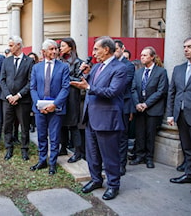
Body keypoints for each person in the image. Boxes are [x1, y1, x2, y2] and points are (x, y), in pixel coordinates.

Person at [72, 36, 128, 200]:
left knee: (110, 156)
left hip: (108, 119)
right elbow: (89, 84)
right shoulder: (96, 67)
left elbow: (112, 92)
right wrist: (85, 75)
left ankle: (113, 185)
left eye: (96, 49)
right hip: (91, 118)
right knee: (92, 155)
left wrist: (88, 86)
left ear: (107, 49)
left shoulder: (120, 68)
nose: (93, 52)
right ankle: (96, 179)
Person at [29, 39, 70, 175]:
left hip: (56, 108)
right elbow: (33, 88)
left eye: (55, 49)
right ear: (44, 51)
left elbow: (65, 88)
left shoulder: (63, 67)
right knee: (41, 135)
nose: (54, 51)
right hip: (40, 108)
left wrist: (54, 104)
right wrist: (38, 103)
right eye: (51, 49)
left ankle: (52, 163)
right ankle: (42, 160)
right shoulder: (36, 67)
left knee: (54, 137)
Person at [167, 36, 191, 195]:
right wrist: (170, 114)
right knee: (187, 147)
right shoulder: (178, 69)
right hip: (181, 115)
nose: (186, 49)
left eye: (190, 46)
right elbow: (172, 93)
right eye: (185, 46)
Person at [129, 46, 168, 169]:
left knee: (150, 134)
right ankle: (139, 156)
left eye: (145, 55)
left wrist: (147, 104)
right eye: (141, 55)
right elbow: (133, 89)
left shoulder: (161, 72)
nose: (142, 57)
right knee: (139, 133)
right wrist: (137, 104)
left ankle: (149, 158)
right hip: (139, 108)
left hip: (153, 108)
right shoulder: (138, 72)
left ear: (152, 57)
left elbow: (161, 91)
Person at [0, 36, 34, 161]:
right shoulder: (6, 61)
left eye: (11, 45)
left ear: (18, 45)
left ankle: (24, 149)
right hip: (7, 99)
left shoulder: (29, 61)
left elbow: (31, 82)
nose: (9, 48)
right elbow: (2, 80)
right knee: (7, 125)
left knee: (24, 126)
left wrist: (18, 95)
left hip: (22, 100)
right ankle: (9, 148)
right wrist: (9, 96)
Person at [59, 37, 86, 163]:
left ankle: (78, 152)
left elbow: (78, 79)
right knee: (62, 123)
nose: (60, 48)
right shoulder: (59, 60)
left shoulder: (78, 62)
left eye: (63, 46)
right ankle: (63, 147)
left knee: (73, 125)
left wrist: (63, 77)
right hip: (61, 95)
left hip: (72, 96)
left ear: (70, 47)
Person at [114, 39, 136, 176]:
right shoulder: (110, 64)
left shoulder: (128, 65)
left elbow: (123, 83)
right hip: (111, 104)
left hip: (124, 104)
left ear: (123, 49)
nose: (114, 52)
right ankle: (112, 162)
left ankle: (122, 165)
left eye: (116, 49)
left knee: (122, 137)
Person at [27, 52, 39, 133]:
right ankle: (30, 124)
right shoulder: (26, 66)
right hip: (28, 90)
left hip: (36, 89)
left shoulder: (38, 67)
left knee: (34, 108)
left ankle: (33, 125)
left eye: (33, 58)